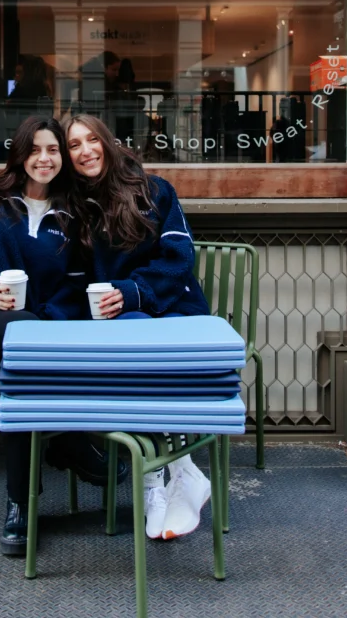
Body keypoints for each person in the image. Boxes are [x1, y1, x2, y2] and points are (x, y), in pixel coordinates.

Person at [0, 115, 122, 556]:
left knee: (19, 366)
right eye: (34, 150)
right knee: (25, 340)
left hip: (28, 337)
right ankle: (72, 441)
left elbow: (74, 288)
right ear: (19, 154)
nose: (44, 158)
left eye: (53, 150)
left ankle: (20, 505)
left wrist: (46, 318)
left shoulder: (73, 217)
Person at [64, 113, 212, 543]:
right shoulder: (73, 208)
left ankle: (159, 480)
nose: (85, 151)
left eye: (92, 140)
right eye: (74, 145)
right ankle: (177, 473)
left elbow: (179, 259)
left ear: (107, 142)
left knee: (139, 347)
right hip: (120, 322)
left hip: (175, 310)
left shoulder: (154, 190)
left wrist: (133, 292)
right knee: (128, 345)